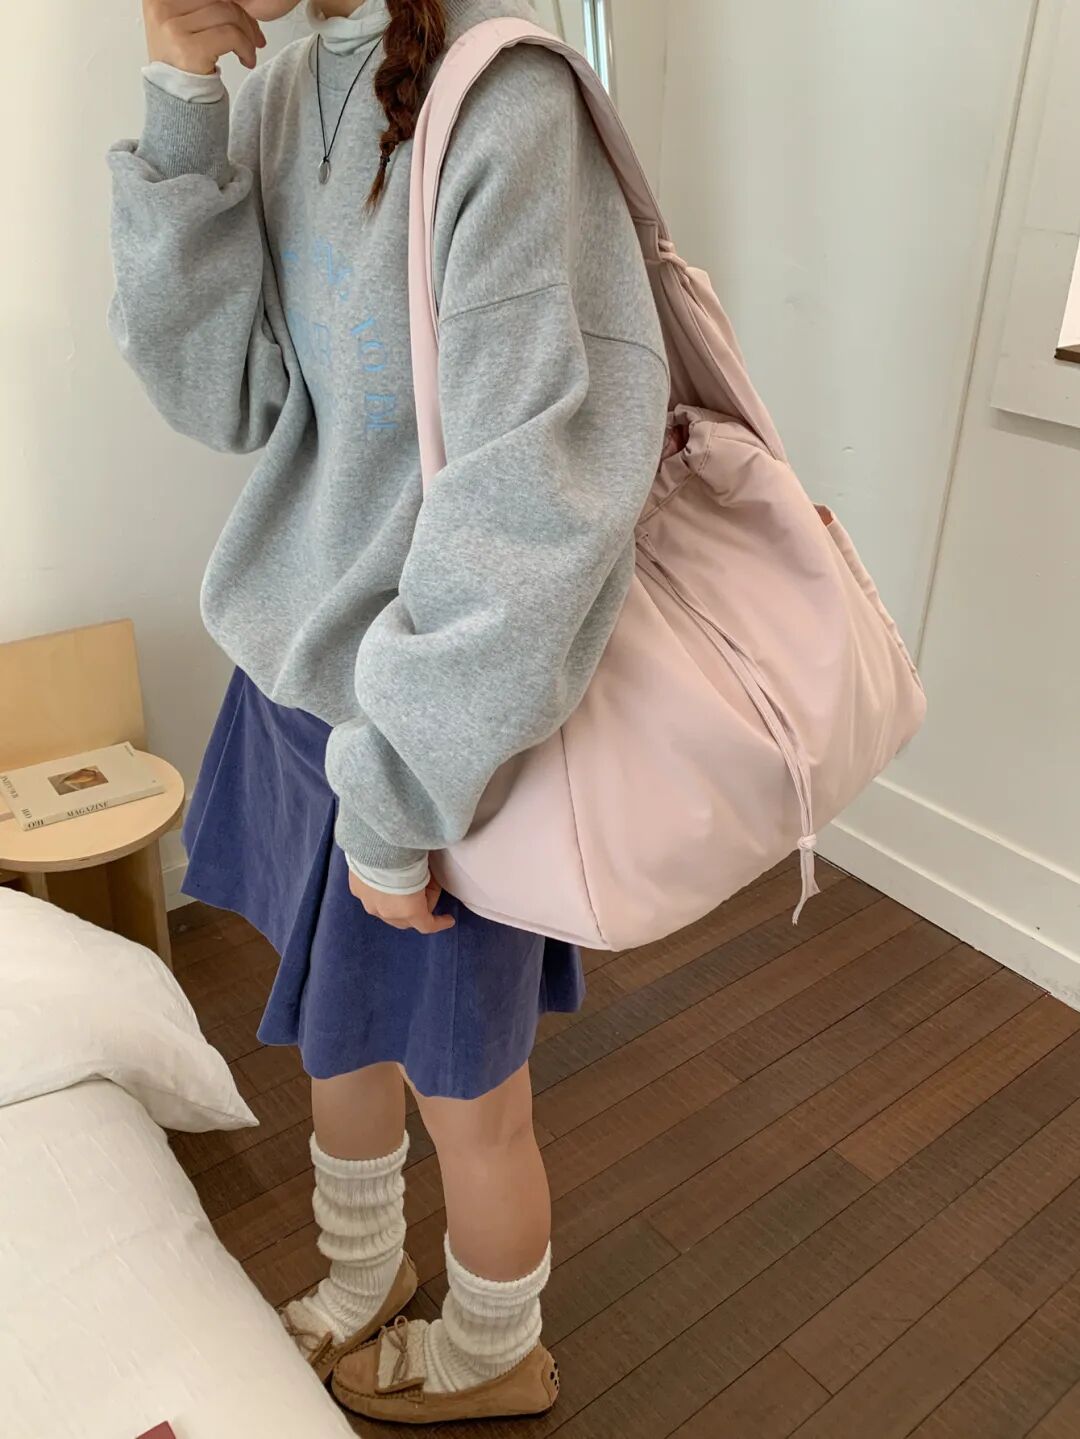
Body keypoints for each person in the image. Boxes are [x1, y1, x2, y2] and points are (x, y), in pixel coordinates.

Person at [108, 0, 669, 1423]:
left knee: (470, 1098)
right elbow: (228, 396)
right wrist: (184, 100)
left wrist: (401, 797)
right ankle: (362, 1276)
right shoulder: (291, 81)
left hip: (436, 726)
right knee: (336, 1032)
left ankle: (495, 1351)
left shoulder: (510, 101)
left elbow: (536, 505)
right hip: (300, 690)